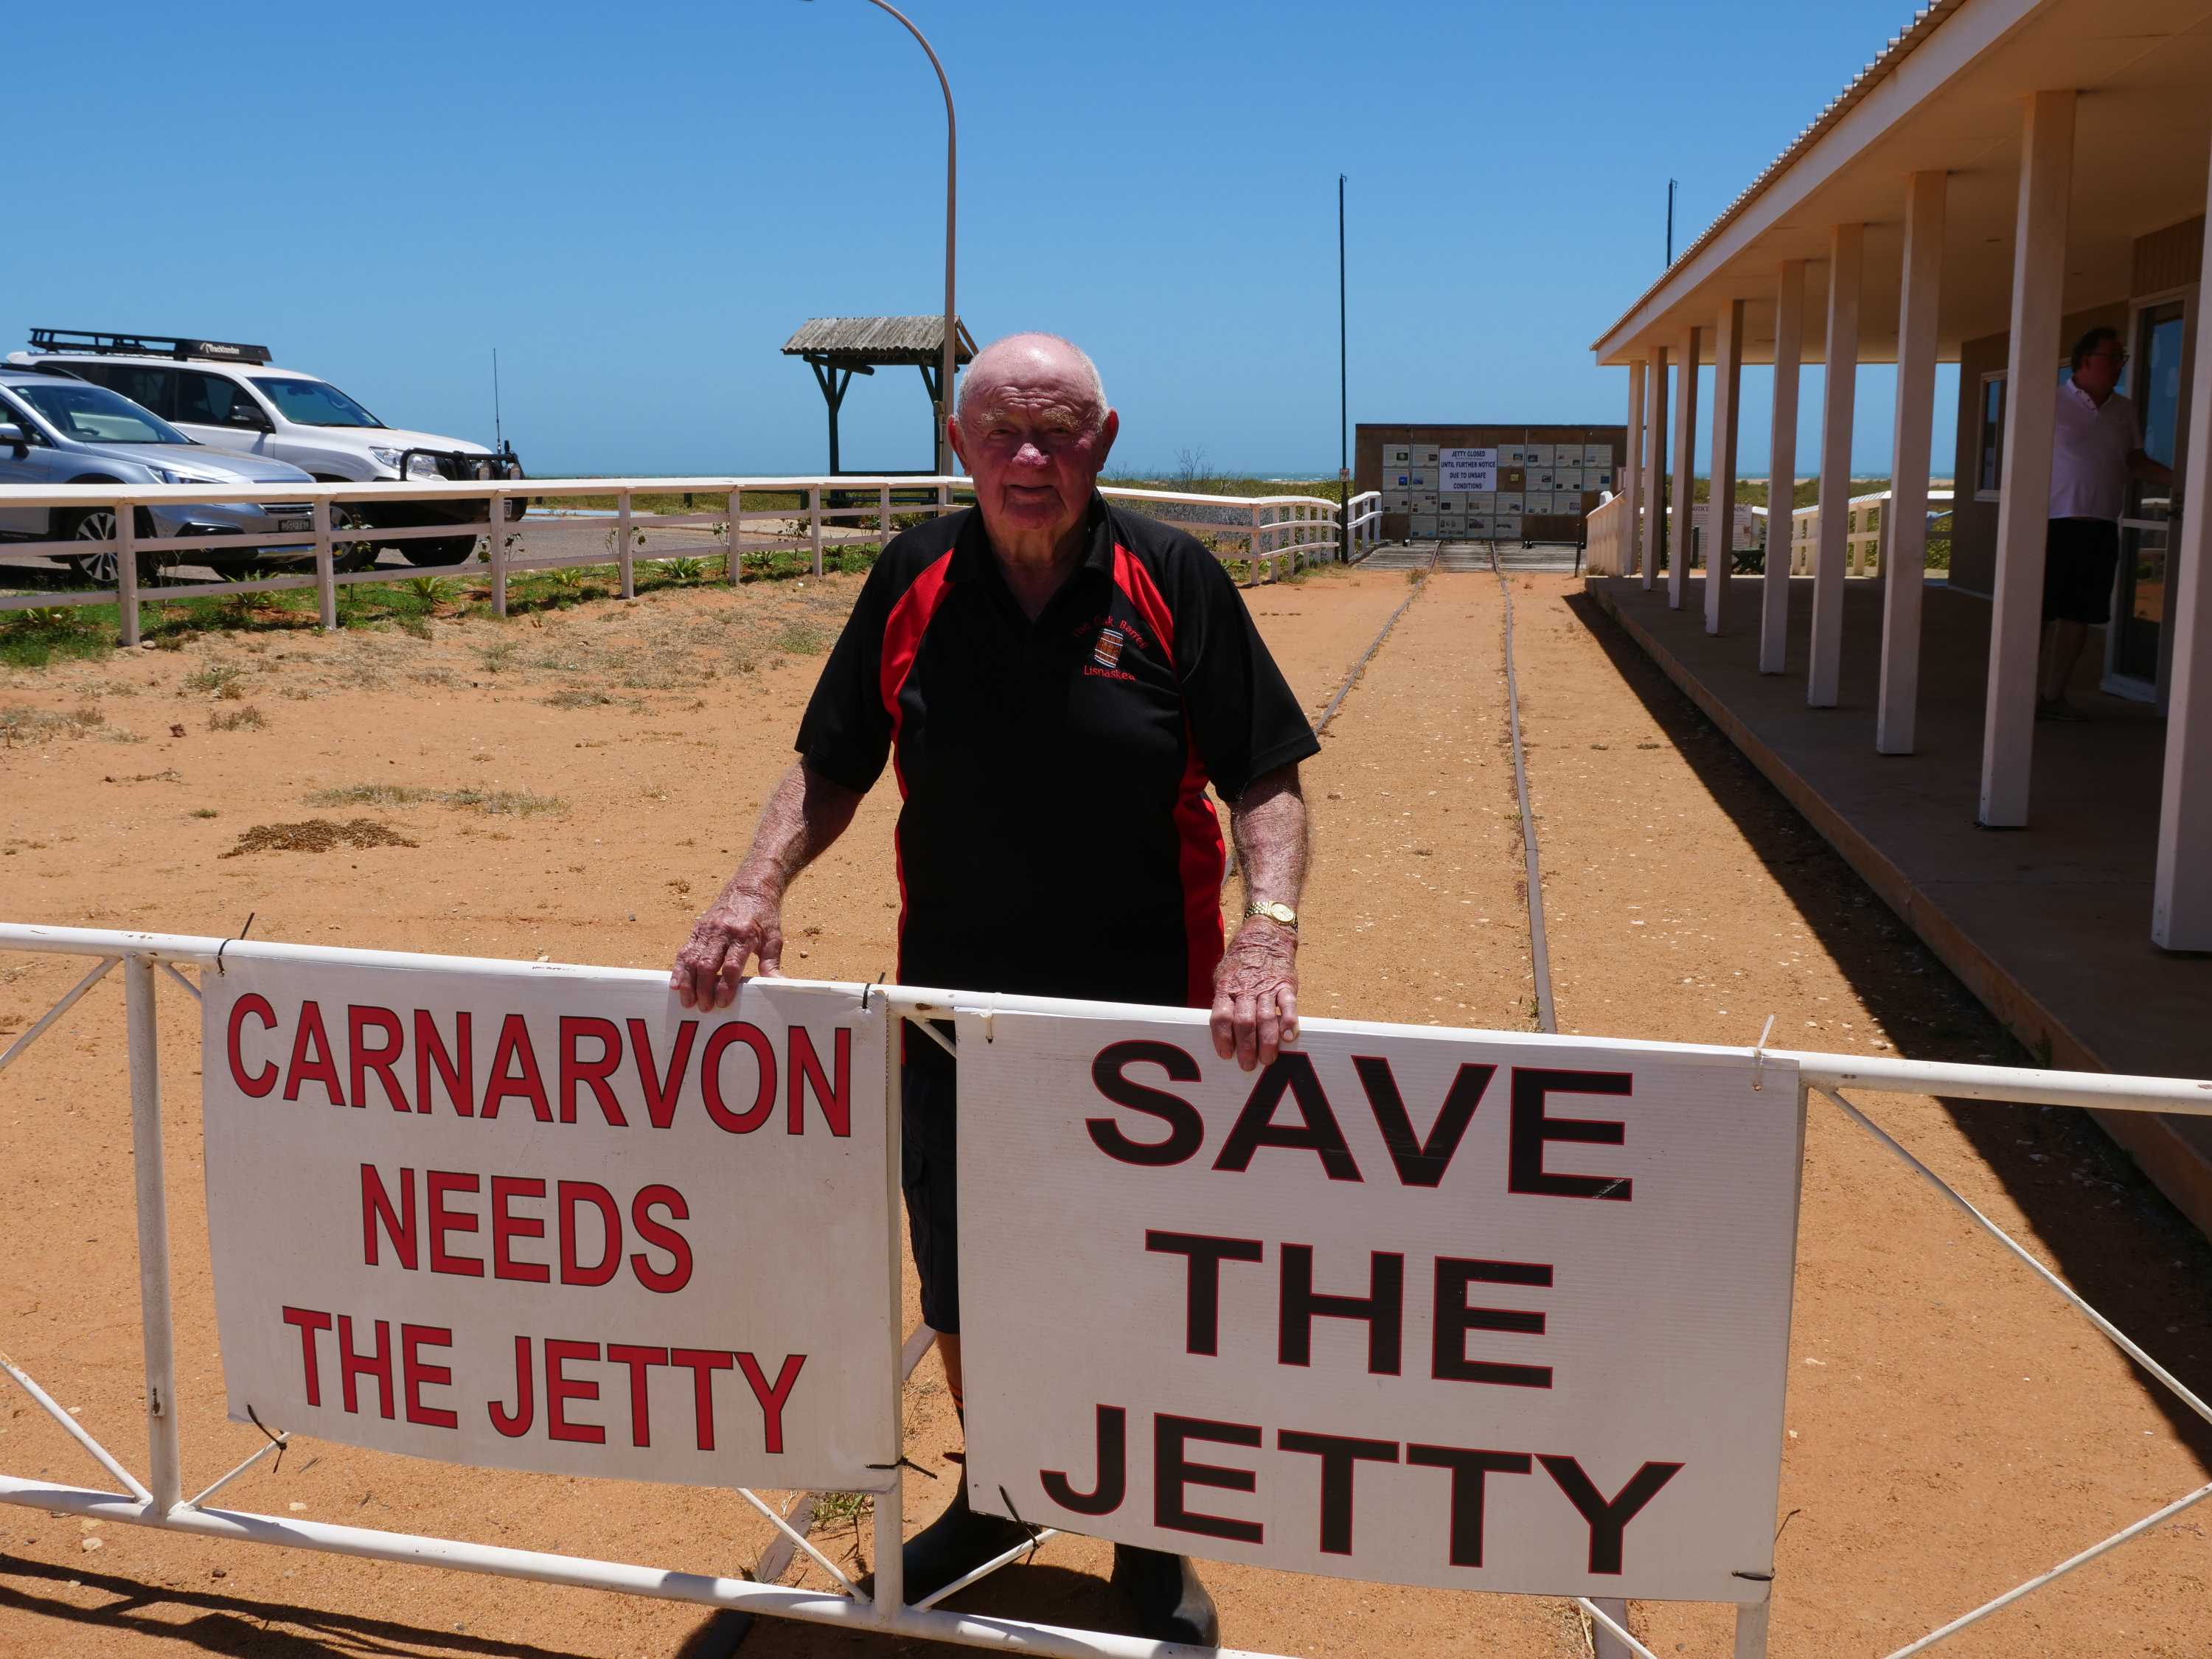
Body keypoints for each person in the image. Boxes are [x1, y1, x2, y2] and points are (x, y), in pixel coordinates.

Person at [669, 332, 1317, 1644]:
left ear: (1104, 441)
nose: (1032, 457)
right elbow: (834, 759)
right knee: (962, 1272)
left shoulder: (1172, 577)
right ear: (959, 442)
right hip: (956, 1014)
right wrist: (753, 887)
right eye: (1004, 432)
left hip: (1146, 1023)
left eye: (1060, 432)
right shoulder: (913, 575)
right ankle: (1006, 1488)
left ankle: (1146, 1528)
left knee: (1145, 1269)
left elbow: (1265, 774)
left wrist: (1270, 932)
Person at [2038, 324, 2172, 720]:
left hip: (2099, 527)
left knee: (2080, 615)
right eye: (2112, 357)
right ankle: (2016, 696)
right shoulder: (2049, 403)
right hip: (2050, 525)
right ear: (2085, 360)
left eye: (2121, 358)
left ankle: (2053, 697)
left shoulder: (2124, 410)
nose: (2119, 365)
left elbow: (2134, 461)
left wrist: (2185, 478)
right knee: (2037, 613)